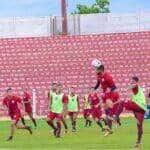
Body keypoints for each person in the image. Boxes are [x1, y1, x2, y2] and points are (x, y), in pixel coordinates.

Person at [114, 77, 147, 148]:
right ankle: (138, 142)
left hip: (138, 106)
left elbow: (134, 85)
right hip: (142, 109)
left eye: (132, 81)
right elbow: (133, 98)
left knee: (122, 102)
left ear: (136, 82)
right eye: (131, 81)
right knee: (139, 125)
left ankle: (116, 117)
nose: (131, 82)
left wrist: (126, 88)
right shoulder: (138, 91)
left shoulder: (136, 86)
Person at [93, 60, 120, 135]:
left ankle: (114, 122)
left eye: (95, 68)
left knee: (107, 112)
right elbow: (98, 83)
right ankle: (109, 128)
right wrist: (94, 88)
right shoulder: (99, 75)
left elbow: (114, 87)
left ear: (100, 69)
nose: (94, 70)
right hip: (105, 95)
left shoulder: (108, 76)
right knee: (106, 113)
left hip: (110, 95)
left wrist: (109, 90)